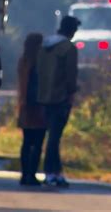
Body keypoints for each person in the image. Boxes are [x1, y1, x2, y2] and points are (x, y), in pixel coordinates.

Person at [36, 16, 81, 187]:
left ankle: (55, 172)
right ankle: (51, 173)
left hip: (44, 96)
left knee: (52, 136)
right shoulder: (69, 48)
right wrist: (72, 91)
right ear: (71, 30)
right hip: (60, 98)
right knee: (55, 137)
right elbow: (71, 76)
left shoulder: (44, 47)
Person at [17, 33, 46, 186]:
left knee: (27, 142)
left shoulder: (23, 61)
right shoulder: (42, 62)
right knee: (38, 143)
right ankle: (32, 174)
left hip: (25, 106)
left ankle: (24, 174)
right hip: (39, 106)